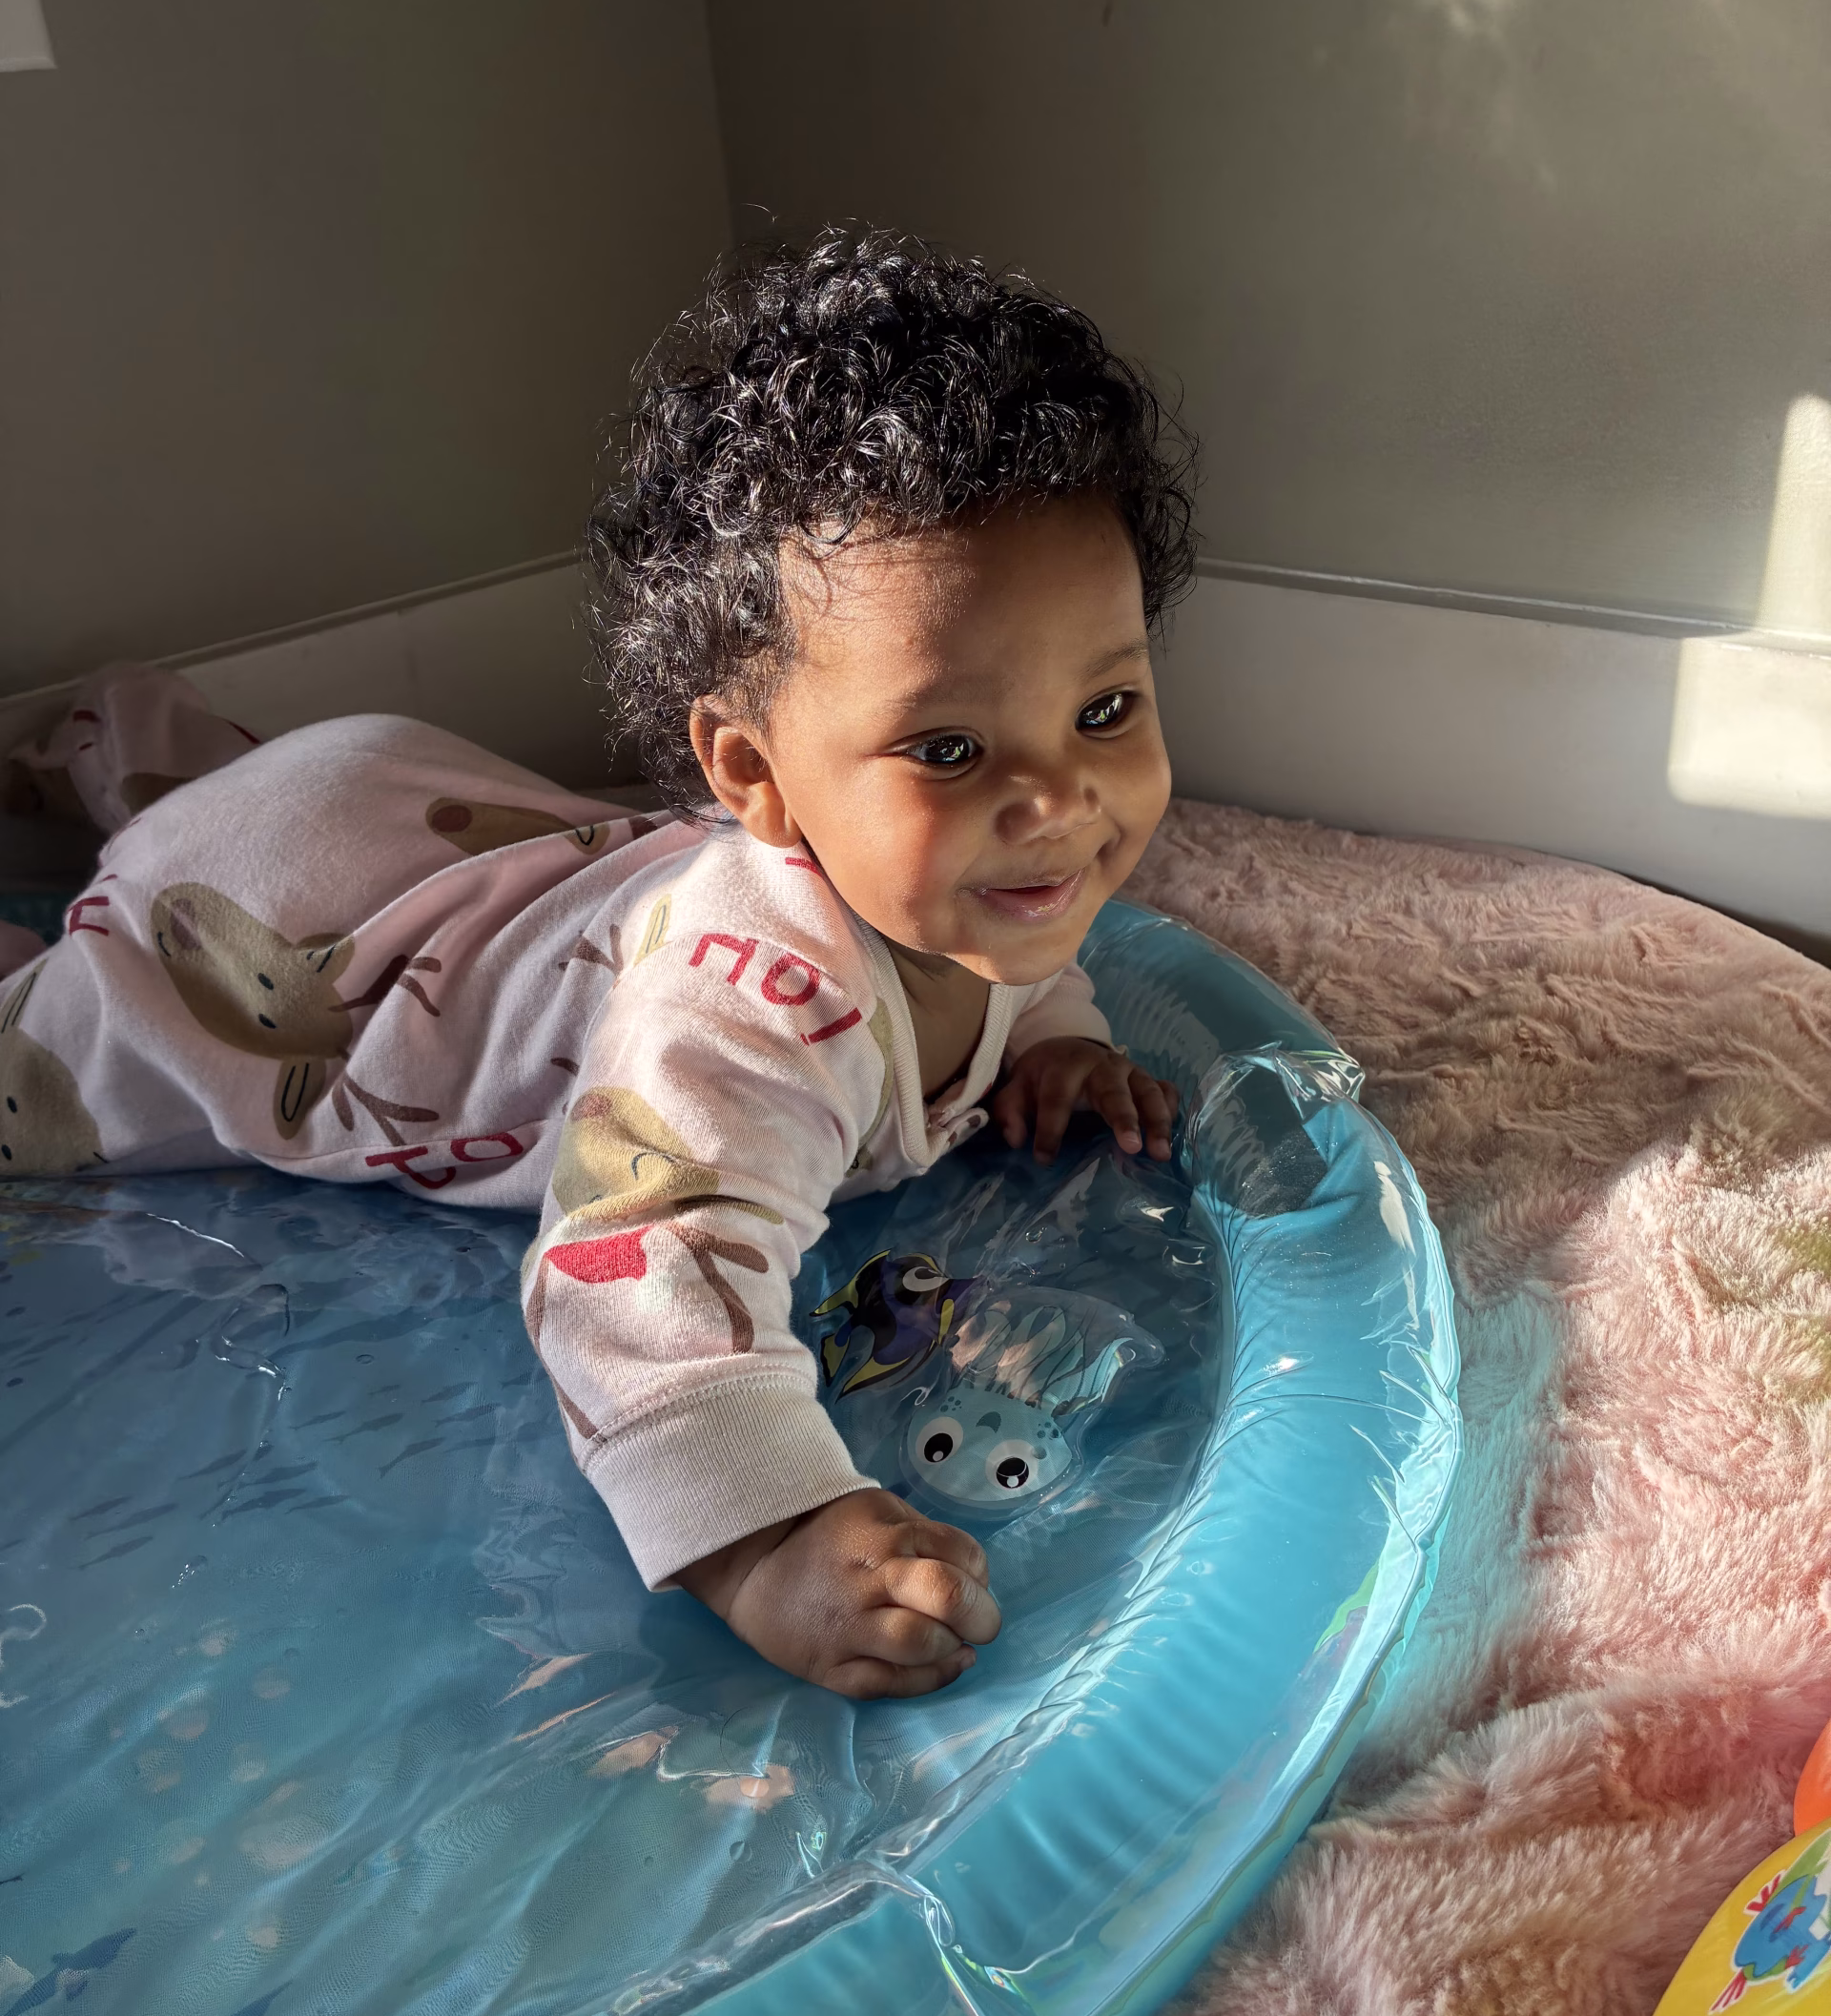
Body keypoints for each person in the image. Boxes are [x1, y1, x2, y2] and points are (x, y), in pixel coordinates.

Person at [0, 228, 1196, 1697]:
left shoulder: (977, 879)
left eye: (1104, 710)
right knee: (43, 1068)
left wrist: (1060, 1031)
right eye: (949, 748)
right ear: (754, 776)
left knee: (323, 825)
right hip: (279, 931)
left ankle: (126, 742)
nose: (1058, 800)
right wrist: (766, 1538)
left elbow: (1022, 947)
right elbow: (632, 1270)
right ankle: (126, 798)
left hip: (399, 814)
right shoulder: (751, 1009)